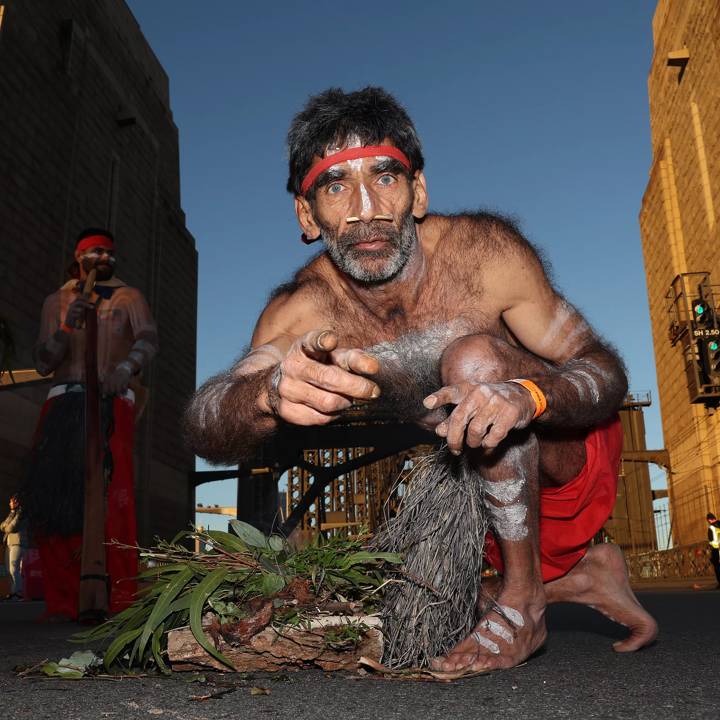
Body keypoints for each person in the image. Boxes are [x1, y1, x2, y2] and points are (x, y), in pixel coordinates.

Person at [184, 87, 658, 672]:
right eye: (335, 187)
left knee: (474, 361)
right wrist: (264, 394)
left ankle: (527, 604)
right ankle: (584, 576)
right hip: (491, 503)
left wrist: (530, 396)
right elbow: (207, 420)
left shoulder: (482, 255)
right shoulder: (302, 311)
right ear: (307, 217)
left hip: (568, 449)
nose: (366, 209)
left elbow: (603, 367)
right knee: (418, 607)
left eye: (385, 177)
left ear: (419, 191)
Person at [20, 228, 158, 620]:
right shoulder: (57, 300)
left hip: (112, 403)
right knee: (57, 500)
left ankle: (116, 597)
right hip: (64, 399)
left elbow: (148, 340)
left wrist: (126, 369)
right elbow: (45, 360)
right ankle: (64, 599)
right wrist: (67, 327)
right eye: (97, 251)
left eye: (110, 253)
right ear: (79, 255)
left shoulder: (129, 297)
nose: (105, 258)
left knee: (114, 495)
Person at [1, 495, 27, 600]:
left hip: (17, 543)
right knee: (9, 570)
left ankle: (17, 592)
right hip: (9, 543)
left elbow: (11, 527)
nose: (9, 504)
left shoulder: (21, 513)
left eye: (11, 502)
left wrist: (7, 526)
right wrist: (12, 513)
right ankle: (14, 591)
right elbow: (2, 526)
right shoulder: (13, 513)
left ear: (16, 502)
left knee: (14, 569)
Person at [707, 513, 720, 588]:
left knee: (717, 567)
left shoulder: (711, 528)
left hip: (716, 550)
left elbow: (711, 540)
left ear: (709, 520)